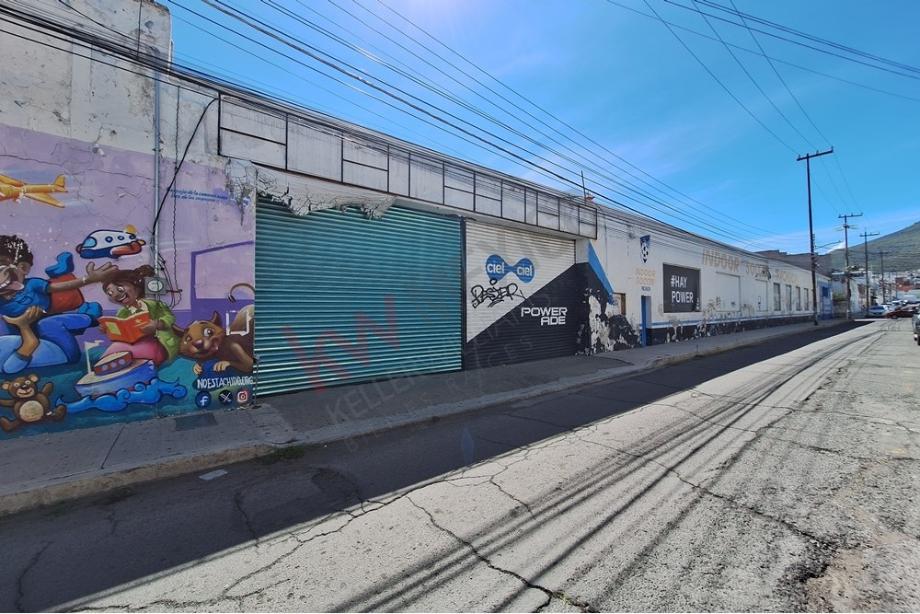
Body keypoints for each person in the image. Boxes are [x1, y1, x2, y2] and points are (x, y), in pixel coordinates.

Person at [100, 265, 179, 366]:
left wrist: (157, 324)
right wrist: (108, 329)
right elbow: (121, 331)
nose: (115, 295)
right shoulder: (122, 313)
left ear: (135, 286)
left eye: (119, 289)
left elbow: (170, 317)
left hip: (159, 342)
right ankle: (105, 366)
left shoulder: (154, 305)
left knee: (139, 353)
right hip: (134, 343)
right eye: (110, 293)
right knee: (115, 348)